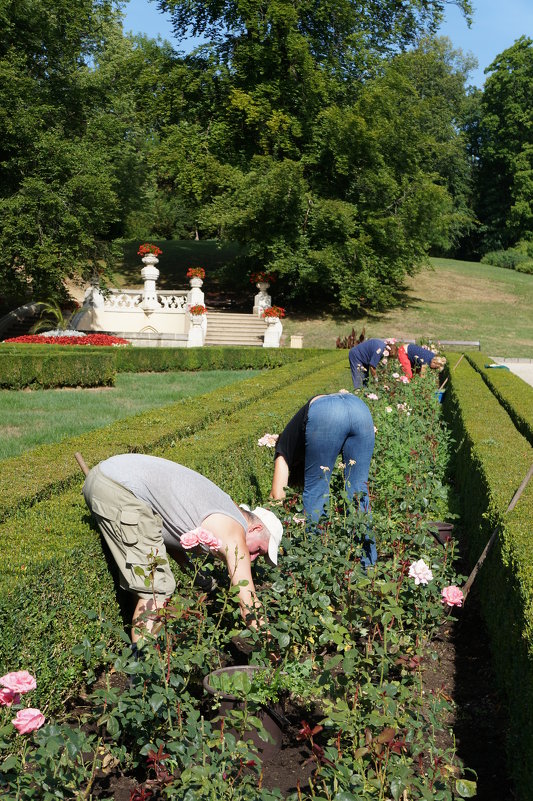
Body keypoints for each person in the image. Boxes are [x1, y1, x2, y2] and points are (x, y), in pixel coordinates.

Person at [82, 454, 283, 642]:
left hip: (107, 478)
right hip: (119, 489)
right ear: (256, 528)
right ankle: (142, 671)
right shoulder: (233, 531)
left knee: (150, 583)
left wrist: (195, 573)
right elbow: (247, 601)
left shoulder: (224, 510)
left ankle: (147, 650)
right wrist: (269, 646)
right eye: (260, 550)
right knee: (157, 589)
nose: (254, 557)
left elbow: (169, 535)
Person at [270, 391, 377, 566]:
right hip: (359, 408)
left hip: (326, 413)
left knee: (316, 491)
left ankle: (315, 563)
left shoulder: (283, 446)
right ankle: (368, 565)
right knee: (359, 490)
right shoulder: (296, 429)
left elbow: (276, 496)